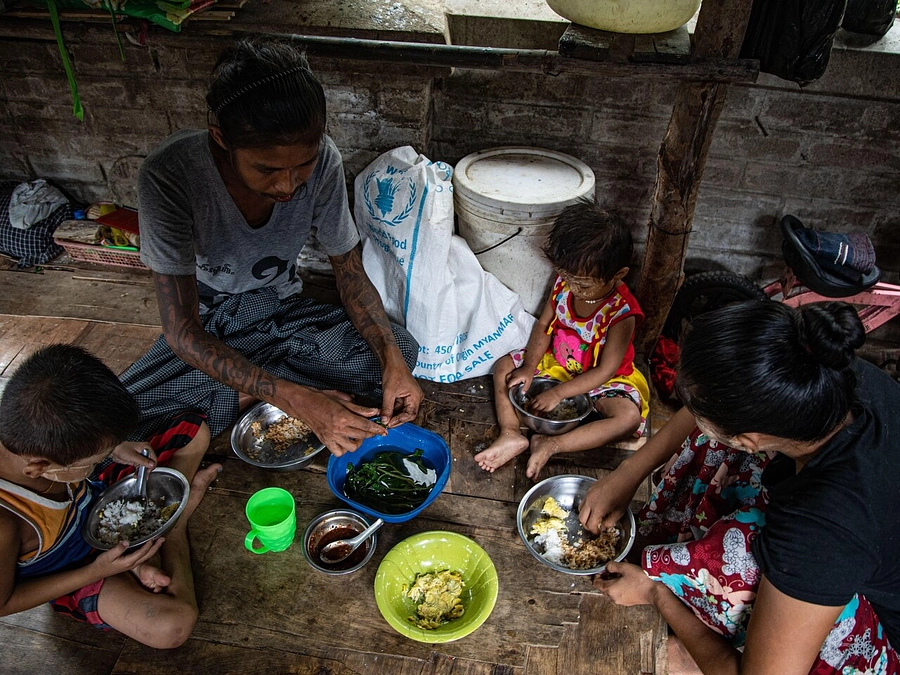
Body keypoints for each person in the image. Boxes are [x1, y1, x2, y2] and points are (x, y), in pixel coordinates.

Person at [121, 37, 422, 454]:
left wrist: (391, 359)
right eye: (267, 169)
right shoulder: (170, 175)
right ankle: (280, 392)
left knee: (403, 351)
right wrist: (298, 400)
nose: (287, 185)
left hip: (280, 313)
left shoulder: (327, 162)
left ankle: (255, 393)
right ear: (221, 139)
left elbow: (350, 276)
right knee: (122, 418)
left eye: (303, 164)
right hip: (213, 325)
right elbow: (182, 332)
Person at [581, 300, 900, 674]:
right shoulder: (820, 371)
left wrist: (657, 595)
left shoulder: (819, 530)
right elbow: (715, 402)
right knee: (711, 442)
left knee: (736, 545)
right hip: (859, 547)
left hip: (885, 635)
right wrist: (628, 472)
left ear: (751, 437)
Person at [0, 344, 222, 649]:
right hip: (74, 571)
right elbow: (4, 603)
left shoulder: (29, 440)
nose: (100, 460)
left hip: (99, 507)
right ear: (40, 467)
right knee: (172, 625)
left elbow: (85, 460)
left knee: (194, 431)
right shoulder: (5, 523)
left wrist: (117, 449)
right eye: (94, 459)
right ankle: (175, 528)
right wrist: (99, 570)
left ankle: (145, 553)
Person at [475, 199, 650, 480]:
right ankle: (510, 433)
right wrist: (529, 367)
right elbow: (544, 325)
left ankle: (552, 443)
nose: (573, 287)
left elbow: (605, 370)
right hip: (557, 364)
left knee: (627, 419)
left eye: (583, 283)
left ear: (618, 276)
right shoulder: (564, 286)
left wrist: (558, 393)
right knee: (503, 368)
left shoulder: (621, 314)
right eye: (567, 276)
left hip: (602, 381)